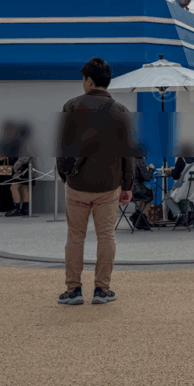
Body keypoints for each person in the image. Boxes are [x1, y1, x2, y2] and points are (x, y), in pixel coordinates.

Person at [56, 57, 134, 306]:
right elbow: (127, 153)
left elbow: (61, 147)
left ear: (89, 80)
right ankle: (102, 290)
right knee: (106, 237)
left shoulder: (71, 106)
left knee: (75, 237)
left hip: (77, 184)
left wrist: (64, 176)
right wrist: (128, 185)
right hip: (109, 184)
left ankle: (73, 290)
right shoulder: (120, 111)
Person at [129, 155, 155, 231]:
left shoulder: (128, 159)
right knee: (150, 194)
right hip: (136, 191)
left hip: (125, 191)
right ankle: (141, 218)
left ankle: (138, 215)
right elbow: (147, 177)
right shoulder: (139, 159)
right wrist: (151, 168)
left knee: (145, 192)